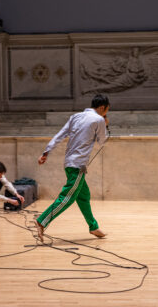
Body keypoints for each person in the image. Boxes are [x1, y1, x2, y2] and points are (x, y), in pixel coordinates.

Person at [34, 94, 110, 242]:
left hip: (69, 163)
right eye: (107, 110)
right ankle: (41, 221)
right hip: (78, 166)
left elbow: (60, 135)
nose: (106, 113)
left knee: (83, 196)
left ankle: (93, 226)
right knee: (67, 198)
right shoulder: (99, 119)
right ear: (102, 108)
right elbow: (103, 141)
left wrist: (46, 152)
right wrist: (106, 125)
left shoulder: (75, 116)